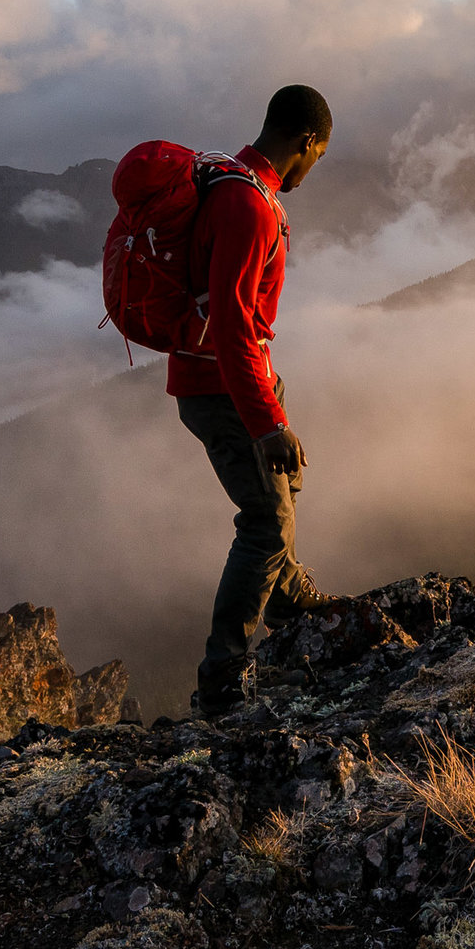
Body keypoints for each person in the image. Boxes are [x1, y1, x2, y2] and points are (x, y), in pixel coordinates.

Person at [167, 83, 337, 715]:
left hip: (231, 380)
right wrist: (266, 422)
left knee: (281, 502)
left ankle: (295, 608)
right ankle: (223, 678)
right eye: (320, 156)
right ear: (306, 143)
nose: (315, 169)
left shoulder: (233, 184)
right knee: (265, 523)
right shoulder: (248, 205)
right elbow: (234, 323)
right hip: (223, 386)